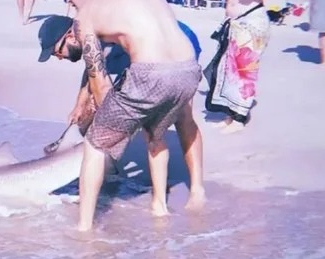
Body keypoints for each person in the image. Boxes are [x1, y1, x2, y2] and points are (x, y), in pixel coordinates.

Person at [50, 0, 204, 230]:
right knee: (156, 133)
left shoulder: (85, 15)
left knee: (96, 144)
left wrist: (104, 122)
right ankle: (160, 207)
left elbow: (99, 82)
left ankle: (84, 228)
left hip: (150, 73)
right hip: (189, 69)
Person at [37, 14, 205, 209]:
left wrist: (103, 109)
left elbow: (106, 95)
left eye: (57, 52)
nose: (58, 58)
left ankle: (195, 190)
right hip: (135, 54)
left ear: (70, 36)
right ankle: (108, 170)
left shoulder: (98, 34)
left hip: (175, 43)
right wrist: (80, 104)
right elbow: (91, 70)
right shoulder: (86, 37)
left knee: (179, 117)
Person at [203, 0, 276, 134]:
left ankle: (240, 118)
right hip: (232, 24)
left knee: (245, 70)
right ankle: (230, 115)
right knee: (229, 71)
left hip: (252, 21)